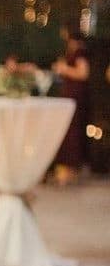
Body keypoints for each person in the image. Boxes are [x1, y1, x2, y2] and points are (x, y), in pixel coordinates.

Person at [52, 29, 91, 185]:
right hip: (71, 96)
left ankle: (69, 171)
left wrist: (64, 69)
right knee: (69, 132)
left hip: (75, 97)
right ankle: (68, 171)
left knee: (72, 133)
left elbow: (83, 73)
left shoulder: (80, 51)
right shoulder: (74, 50)